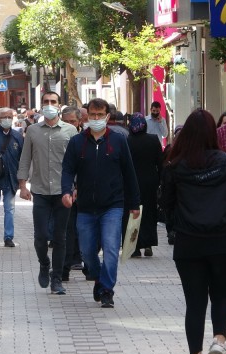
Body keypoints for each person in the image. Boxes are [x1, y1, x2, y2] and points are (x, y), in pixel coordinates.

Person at [159, 109, 226, 354]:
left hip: (189, 242)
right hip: (225, 239)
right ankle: (219, 341)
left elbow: (166, 203)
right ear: (212, 132)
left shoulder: (175, 165)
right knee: (222, 294)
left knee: (194, 303)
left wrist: (178, 224)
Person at [62, 98, 140, 308]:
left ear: (107, 116)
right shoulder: (77, 142)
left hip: (113, 206)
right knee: (87, 252)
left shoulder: (118, 141)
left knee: (112, 248)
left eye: (100, 115)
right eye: (92, 115)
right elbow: (68, 169)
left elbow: (129, 173)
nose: (96, 119)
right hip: (86, 207)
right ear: (87, 116)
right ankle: (97, 277)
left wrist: (135, 203)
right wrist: (66, 191)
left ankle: (107, 289)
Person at [18, 91, 78, 295]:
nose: (50, 105)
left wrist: (76, 187)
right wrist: (23, 185)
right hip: (41, 191)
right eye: (46, 102)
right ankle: (44, 263)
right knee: (41, 236)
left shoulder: (70, 131)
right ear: (41, 105)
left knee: (60, 237)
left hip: (64, 192)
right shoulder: (33, 131)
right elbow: (25, 159)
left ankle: (57, 278)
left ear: (59, 105)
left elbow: (78, 162)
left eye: (53, 101)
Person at [124, 113, 163, 257]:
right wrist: (160, 180)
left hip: (131, 184)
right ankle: (149, 243)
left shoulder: (127, 141)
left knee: (133, 215)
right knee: (149, 213)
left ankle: (135, 246)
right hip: (150, 183)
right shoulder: (153, 140)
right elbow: (160, 162)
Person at [0, 107, 23, 248]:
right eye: (3, 117)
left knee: (10, 209)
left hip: (11, 179)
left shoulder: (17, 136)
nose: (6, 119)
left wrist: (22, 179)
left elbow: (22, 158)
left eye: (9, 116)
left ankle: (8, 237)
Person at [59, 106, 84, 279]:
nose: (69, 125)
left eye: (72, 122)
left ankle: (82, 259)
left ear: (79, 122)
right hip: (66, 189)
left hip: (85, 190)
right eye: (66, 122)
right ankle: (67, 265)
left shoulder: (86, 139)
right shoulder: (58, 137)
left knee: (83, 227)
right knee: (68, 227)